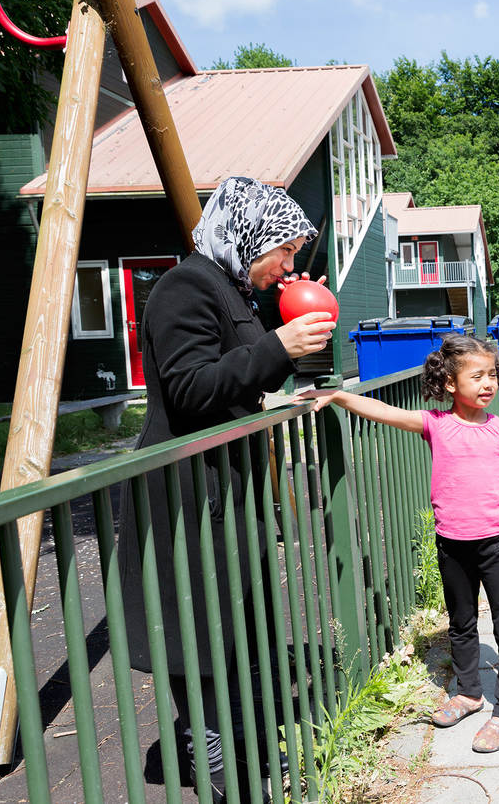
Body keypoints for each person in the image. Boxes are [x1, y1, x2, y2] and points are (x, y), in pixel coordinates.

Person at [116, 176, 337, 802]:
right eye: (285, 251)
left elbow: (232, 382)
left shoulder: (231, 288)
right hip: (186, 496)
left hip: (221, 491)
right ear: (251, 236)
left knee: (234, 623)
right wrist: (277, 348)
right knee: (199, 635)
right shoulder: (186, 287)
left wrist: (281, 388)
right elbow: (188, 388)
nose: (290, 267)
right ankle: (218, 772)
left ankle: (244, 756)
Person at [321, 334, 499, 753]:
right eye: (477, 376)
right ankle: (469, 692)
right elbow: (382, 410)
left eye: (492, 375)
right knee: (461, 622)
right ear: (451, 383)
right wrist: (337, 397)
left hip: (496, 544)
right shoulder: (436, 423)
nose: (488, 383)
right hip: (452, 543)